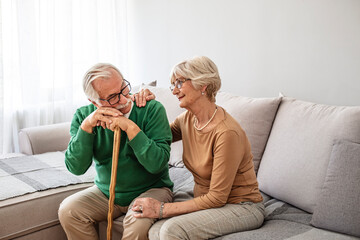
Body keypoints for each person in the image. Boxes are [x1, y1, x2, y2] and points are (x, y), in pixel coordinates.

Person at [131, 56, 265, 240]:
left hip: (241, 206)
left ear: (203, 85)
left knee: (171, 231)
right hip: (206, 199)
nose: (174, 90)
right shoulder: (187, 119)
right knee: (154, 230)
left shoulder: (226, 133)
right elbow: (152, 140)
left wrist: (162, 209)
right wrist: (143, 107)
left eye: (179, 82)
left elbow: (217, 197)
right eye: (173, 84)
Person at [58, 63, 173, 240]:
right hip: (106, 192)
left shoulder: (151, 109)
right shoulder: (83, 116)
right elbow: (75, 168)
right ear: (94, 102)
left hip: (152, 189)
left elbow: (157, 164)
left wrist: (131, 128)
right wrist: (86, 128)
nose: (122, 99)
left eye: (123, 88)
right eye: (112, 97)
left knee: (137, 223)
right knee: (69, 210)